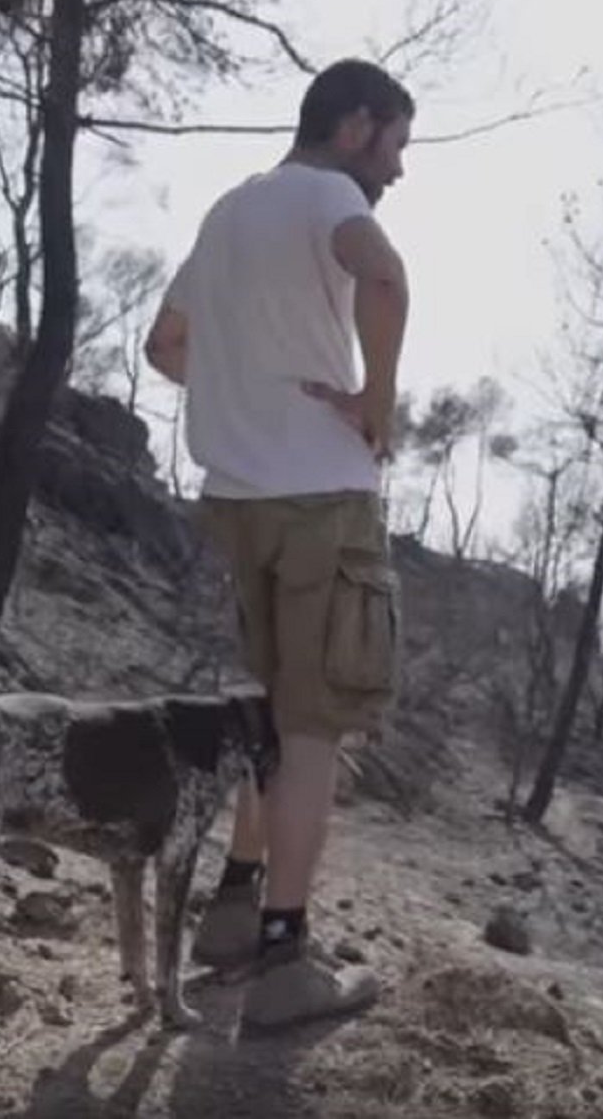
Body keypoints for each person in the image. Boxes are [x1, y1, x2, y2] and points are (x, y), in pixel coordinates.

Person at [143, 57, 412, 1032]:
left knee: (270, 713)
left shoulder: (228, 213)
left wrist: (243, 390)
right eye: (396, 145)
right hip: (322, 500)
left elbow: (164, 346)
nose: (398, 169)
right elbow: (384, 276)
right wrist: (375, 399)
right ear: (355, 125)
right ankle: (286, 961)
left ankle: (233, 909)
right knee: (311, 729)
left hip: (238, 499)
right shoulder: (330, 196)